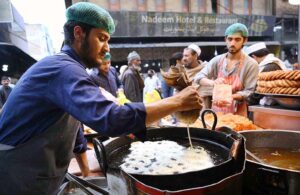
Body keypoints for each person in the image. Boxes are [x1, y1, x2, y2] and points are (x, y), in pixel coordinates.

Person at [0, 2, 202, 194]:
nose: (107, 48)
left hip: (36, 174)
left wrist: (86, 170)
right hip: (17, 176)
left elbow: (74, 127)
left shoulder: (66, 69)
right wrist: (178, 101)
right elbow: (111, 119)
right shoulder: (63, 69)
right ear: (78, 33)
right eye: (102, 38)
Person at [195, 23, 259, 116]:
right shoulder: (218, 60)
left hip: (237, 113)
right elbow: (199, 77)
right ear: (225, 40)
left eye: (237, 40)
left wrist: (230, 97)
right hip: (217, 112)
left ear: (244, 40)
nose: (232, 43)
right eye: (230, 39)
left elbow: (250, 92)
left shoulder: (251, 64)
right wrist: (213, 83)